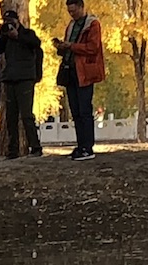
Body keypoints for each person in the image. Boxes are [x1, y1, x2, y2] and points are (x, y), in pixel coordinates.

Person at [52, 0, 105, 159]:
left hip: (85, 71)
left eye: (74, 11)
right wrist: (61, 47)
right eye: (69, 12)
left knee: (84, 110)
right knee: (75, 110)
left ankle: (88, 147)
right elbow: (70, 46)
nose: (72, 14)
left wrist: (71, 46)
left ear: (82, 7)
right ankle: (80, 144)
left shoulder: (92, 24)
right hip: (70, 70)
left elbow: (93, 48)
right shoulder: (70, 26)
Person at [0, 7, 45, 158]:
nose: (8, 25)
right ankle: (13, 149)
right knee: (10, 116)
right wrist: (1, 36)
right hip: (10, 78)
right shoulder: (5, 39)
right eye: (5, 22)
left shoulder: (27, 34)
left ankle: (35, 147)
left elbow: (36, 43)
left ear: (18, 21)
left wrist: (17, 36)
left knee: (26, 115)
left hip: (25, 78)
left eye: (10, 22)